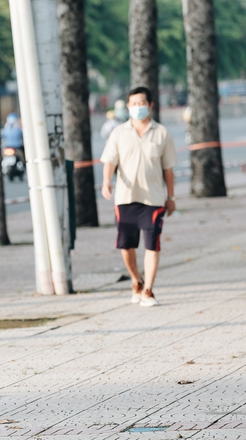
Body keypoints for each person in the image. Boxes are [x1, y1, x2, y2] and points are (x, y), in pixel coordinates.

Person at [100, 86, 177, 307]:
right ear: (128, 107)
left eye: (142, 103)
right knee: (126, 245)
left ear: (150, 105)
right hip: (125, 198)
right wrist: (107, 182)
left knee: (152, 244)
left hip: (152, 199)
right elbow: (109, 161)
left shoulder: (162, 133)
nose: (138, 108)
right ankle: (136, 280)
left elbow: (168, 169)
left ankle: (149, 290)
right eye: (134, 104)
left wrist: (170, 197)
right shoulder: (118, 133)